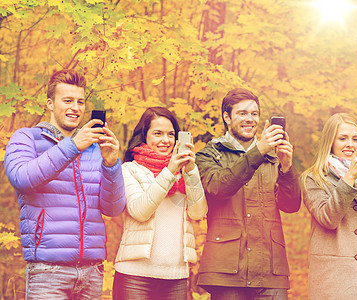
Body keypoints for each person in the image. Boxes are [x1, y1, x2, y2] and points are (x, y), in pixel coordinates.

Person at [4, 69, 127, 299]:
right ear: (50, 103)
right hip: (48, 271)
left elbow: (113, 208)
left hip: (92, 271)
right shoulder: (26, 138)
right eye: (67, 100)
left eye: (80, 102)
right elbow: (23, 179)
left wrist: (111, 165)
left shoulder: (94, 149)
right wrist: (72, 146)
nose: (76, 108)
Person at [195, 88, 302, 300]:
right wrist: (259, 151)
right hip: (226, 270)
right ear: (227, 117)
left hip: (271, 269)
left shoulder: (274, 156)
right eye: (242, 113)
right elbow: (219, 187)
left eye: (254, 114)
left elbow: (291, 205)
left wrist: (287, 167)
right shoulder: (209, 153)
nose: (249, 119)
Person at [112, 107, 207, 300]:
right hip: (134, 276)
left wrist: (190, 171)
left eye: (171, 134)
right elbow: (140, 211)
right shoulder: (129, 169)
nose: (165, 140)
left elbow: (198, 213)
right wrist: (169, 172)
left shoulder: (184, 174)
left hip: (176, 277)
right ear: (144, 136)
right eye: (158, 133)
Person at [301, 113, 357, 300]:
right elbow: (328, 218)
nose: (350, 143)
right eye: (343, 138)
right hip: (332, 282)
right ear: (330, 142)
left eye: (355, 138)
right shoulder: (314, 178)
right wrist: (349, 178)